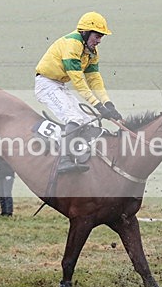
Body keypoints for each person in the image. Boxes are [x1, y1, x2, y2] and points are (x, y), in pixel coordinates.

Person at [34, 11, 123, 174]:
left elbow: (94, 79)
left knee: (87, 120)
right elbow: (78, 82)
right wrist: (97, 105)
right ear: (85, 32)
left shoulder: (91, 52)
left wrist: (108, 103)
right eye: (97, 36)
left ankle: (79, 156)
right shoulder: (73, 45)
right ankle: (64, 159)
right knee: (74, 118)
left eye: (101, 37)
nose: (99, 41)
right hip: (46, 84)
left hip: (59, 85)